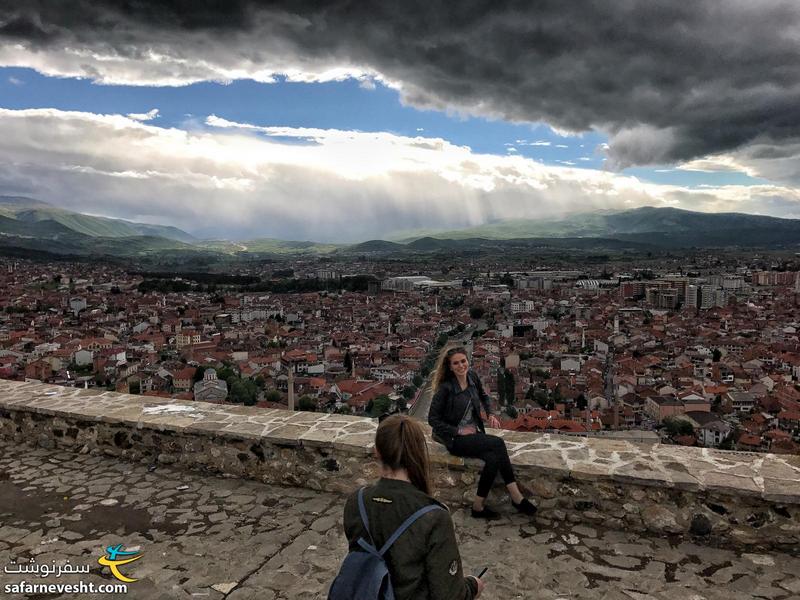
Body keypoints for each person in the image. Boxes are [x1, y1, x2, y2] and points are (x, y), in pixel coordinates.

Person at [342, 414, 485, 600]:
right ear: (417, 452)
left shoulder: (356, 502)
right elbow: (449, 595)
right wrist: (473, 586)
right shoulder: (434, 516)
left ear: (377, 451)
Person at [428, 346, 537, 520]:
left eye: (463, 361)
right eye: (456, 363)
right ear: (449, 367)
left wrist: (491, 414)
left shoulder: (472, 377)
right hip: (455, 440)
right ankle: (517, 497)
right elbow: (432, 420)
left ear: (468, 361)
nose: (461, 365)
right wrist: (458, 430)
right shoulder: (445, 389)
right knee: (498, 443)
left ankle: (477, 507)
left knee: (493, 459)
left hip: (474, 433)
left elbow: (484, 397)